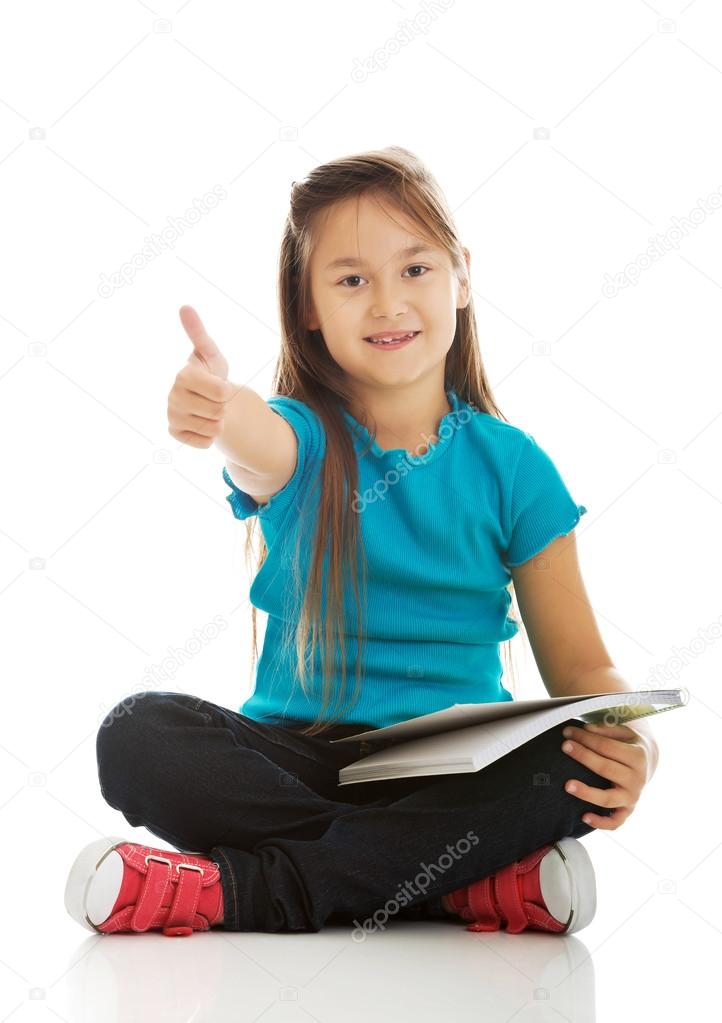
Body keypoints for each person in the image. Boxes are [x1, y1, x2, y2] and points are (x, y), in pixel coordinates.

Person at [64, 146, 659, 939]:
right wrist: (220, 409)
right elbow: (257, 438)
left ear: (462, 277)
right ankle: (443, 881)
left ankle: (249, 891)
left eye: (415, 269)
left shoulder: (514, 467)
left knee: (573, 762)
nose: (388, 303)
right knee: (138, 734)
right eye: (351, 280)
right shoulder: (306, 439)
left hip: (451, 773)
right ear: (308, 307)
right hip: (294, 757)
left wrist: (636, 743)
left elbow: (582, 670)